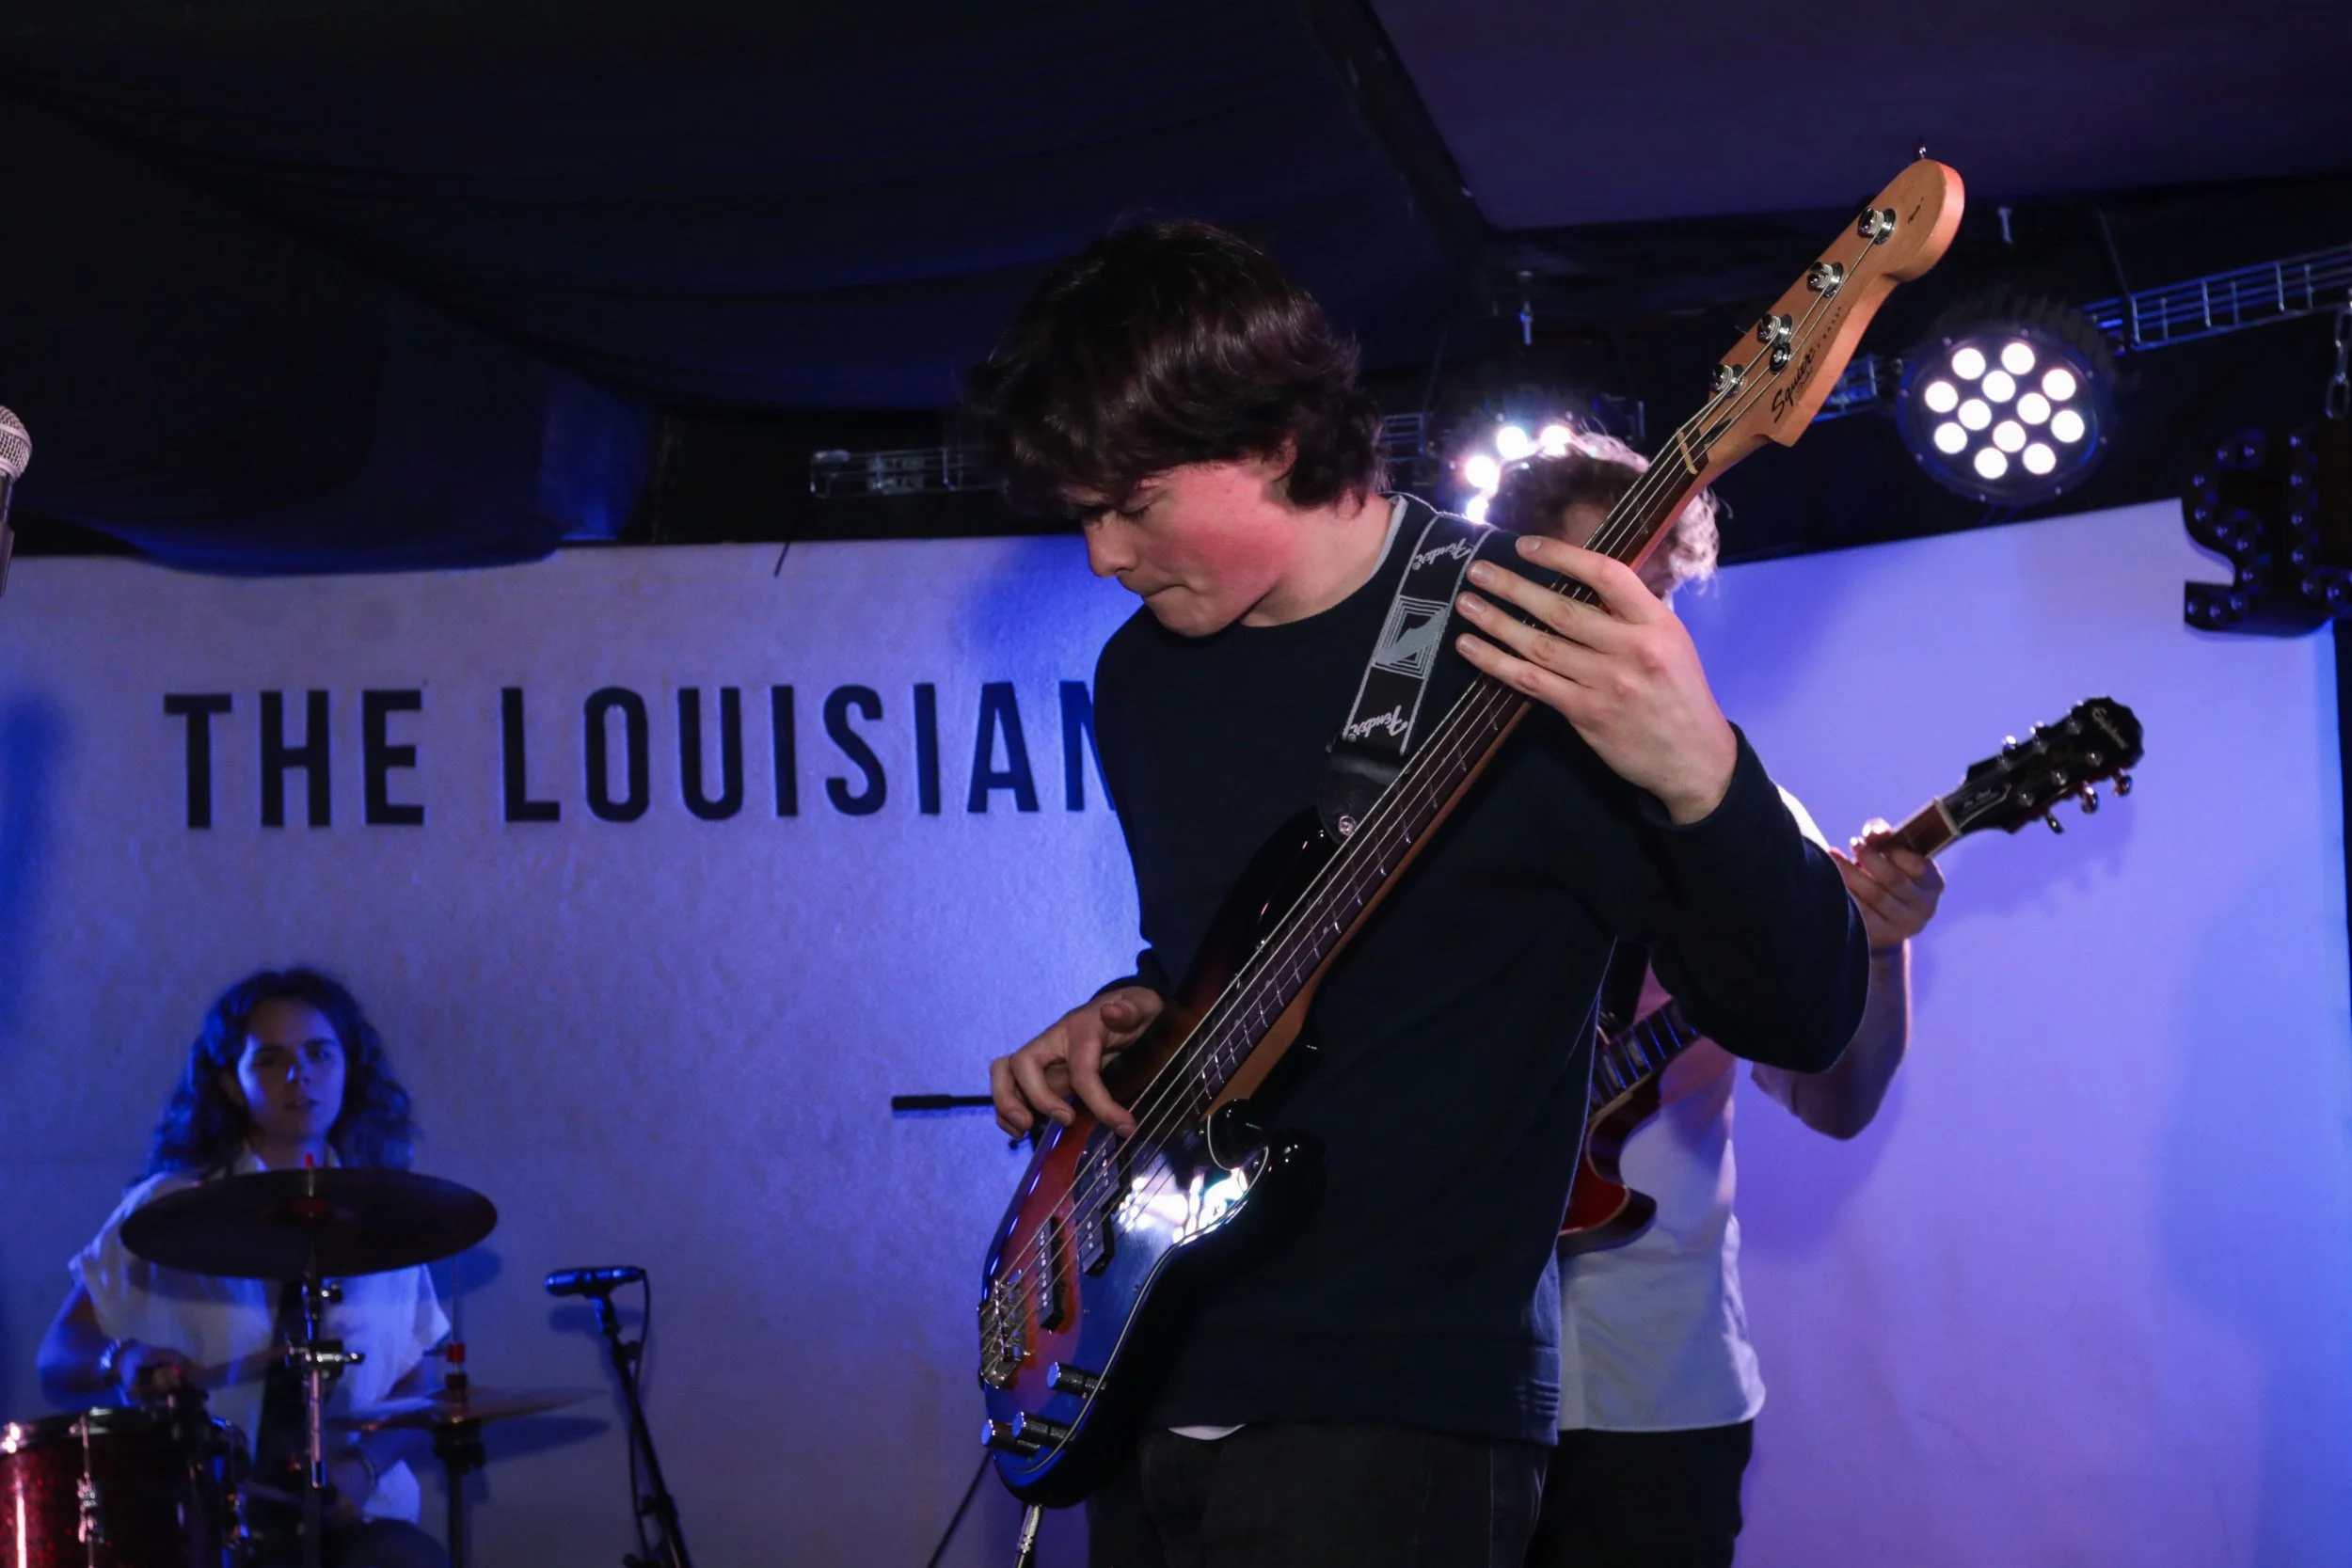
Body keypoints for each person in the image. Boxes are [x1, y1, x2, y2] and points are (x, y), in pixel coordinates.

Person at [967, 220, 1871, 1568]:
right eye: (1081, 515)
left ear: (1273, 442)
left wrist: (1703, 772)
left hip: (1397, 1413)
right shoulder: (1141, 678)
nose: (1101, 555)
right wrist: (1120, 1014)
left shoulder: (1533, 638)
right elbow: (1211, 954)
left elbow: (1804, 1011)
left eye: (1131, 503)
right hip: (1148, 1366)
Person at [1487, 437, 1946, 1568]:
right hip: (1436, 1381)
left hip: (1659, 1392)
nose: (1614, 615)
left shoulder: (1747, 819)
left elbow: (1837, 1101)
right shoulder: (1428, 814)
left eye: (1643, 588)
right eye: (1579, 582)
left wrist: (1872, 954)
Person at [38, 968, 452, 1568]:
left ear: (347, 1068)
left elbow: (424, 1380)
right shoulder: (168, 1206)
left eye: (319, 1054)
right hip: (200, 1524)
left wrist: (364, 1467)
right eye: (270, 1060)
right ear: (231, 1083)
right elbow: (58, 1352)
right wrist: (120, 1359)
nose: (299, 1075)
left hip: (360, 1524)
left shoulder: (385, 1213)